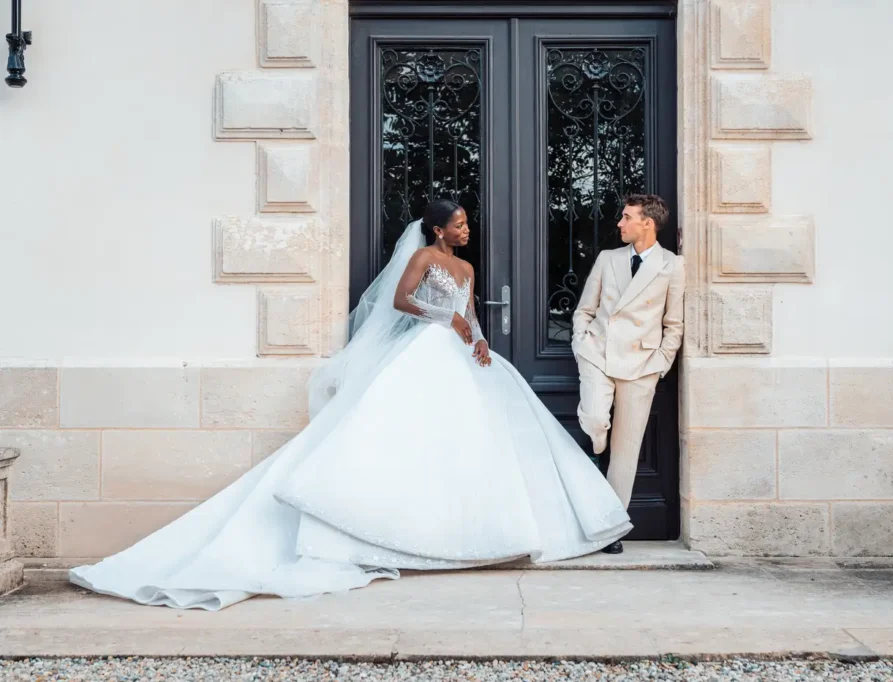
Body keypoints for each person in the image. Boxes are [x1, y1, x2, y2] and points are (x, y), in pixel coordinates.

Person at [68, 199, 632, 611]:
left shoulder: (466, 269)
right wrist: (449, 320)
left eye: (466, 223)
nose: (466, 229)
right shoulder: (424, 261)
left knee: (475, 439)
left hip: (462, 355)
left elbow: (471, 313)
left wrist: (478, 337)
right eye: (458, 223)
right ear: (437, 230)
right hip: (425, 351)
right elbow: (401, 300)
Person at [571, 194, 685, 555]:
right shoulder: (609, 259)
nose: (619, 223)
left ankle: (611, 526)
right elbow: (584, 308)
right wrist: (580, 342)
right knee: (593, 418)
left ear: (646, 223)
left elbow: (674, 323)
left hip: (641, 365)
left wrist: (660, 363)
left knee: (626, 451)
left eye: (626, 217)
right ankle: (597, 442)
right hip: (599, 354)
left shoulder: (672, 266)